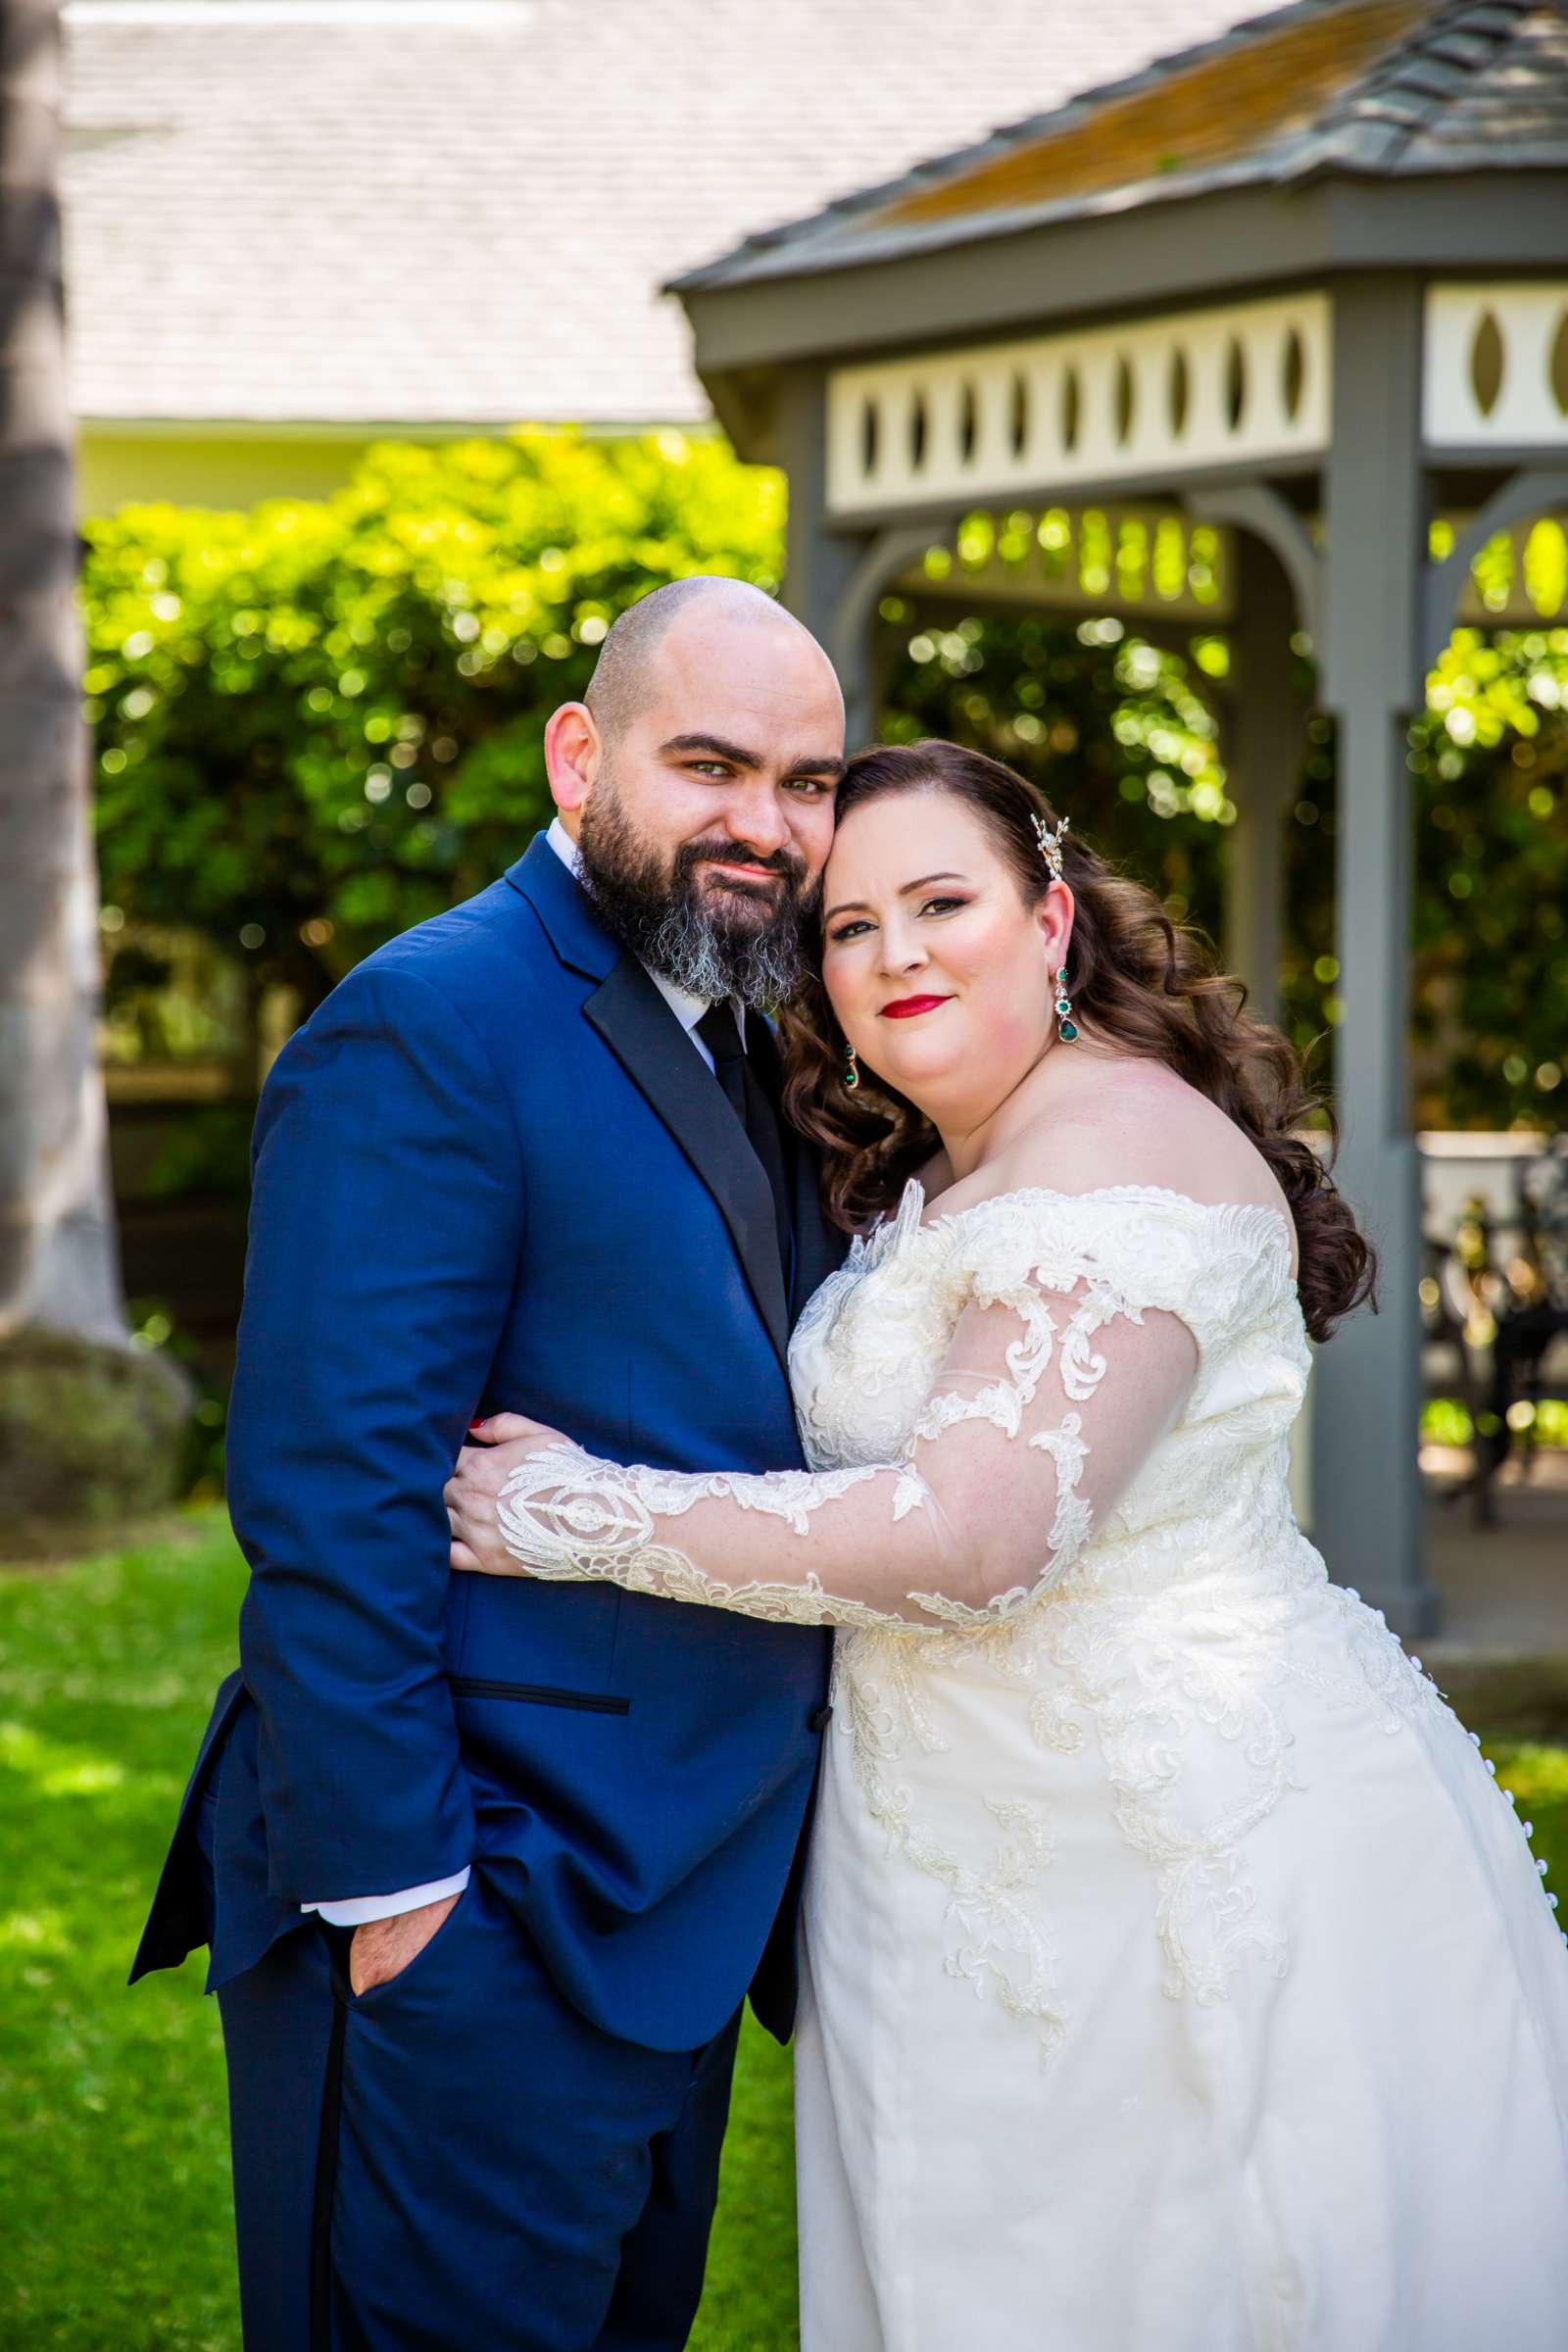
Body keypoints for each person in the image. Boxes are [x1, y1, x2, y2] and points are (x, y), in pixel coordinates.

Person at [449, 739, 1568, 2352]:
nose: (893, 953)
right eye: (845, 927)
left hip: (1153, 1853)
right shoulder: (948, 1160)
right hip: (956, 1850)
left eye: (941, 902)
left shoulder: (1119, 1147)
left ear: (1051, 924)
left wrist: (572, 1512)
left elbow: (975, 1535)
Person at [130, 577, 850, 2350]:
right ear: (580, 754)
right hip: (489, 1908)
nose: (765, 824)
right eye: (711, 764)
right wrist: (408, 1909)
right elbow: (331, 1493)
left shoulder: (746, 1032)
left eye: (810, 781)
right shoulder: (436, 1022)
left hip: (677, 1907)